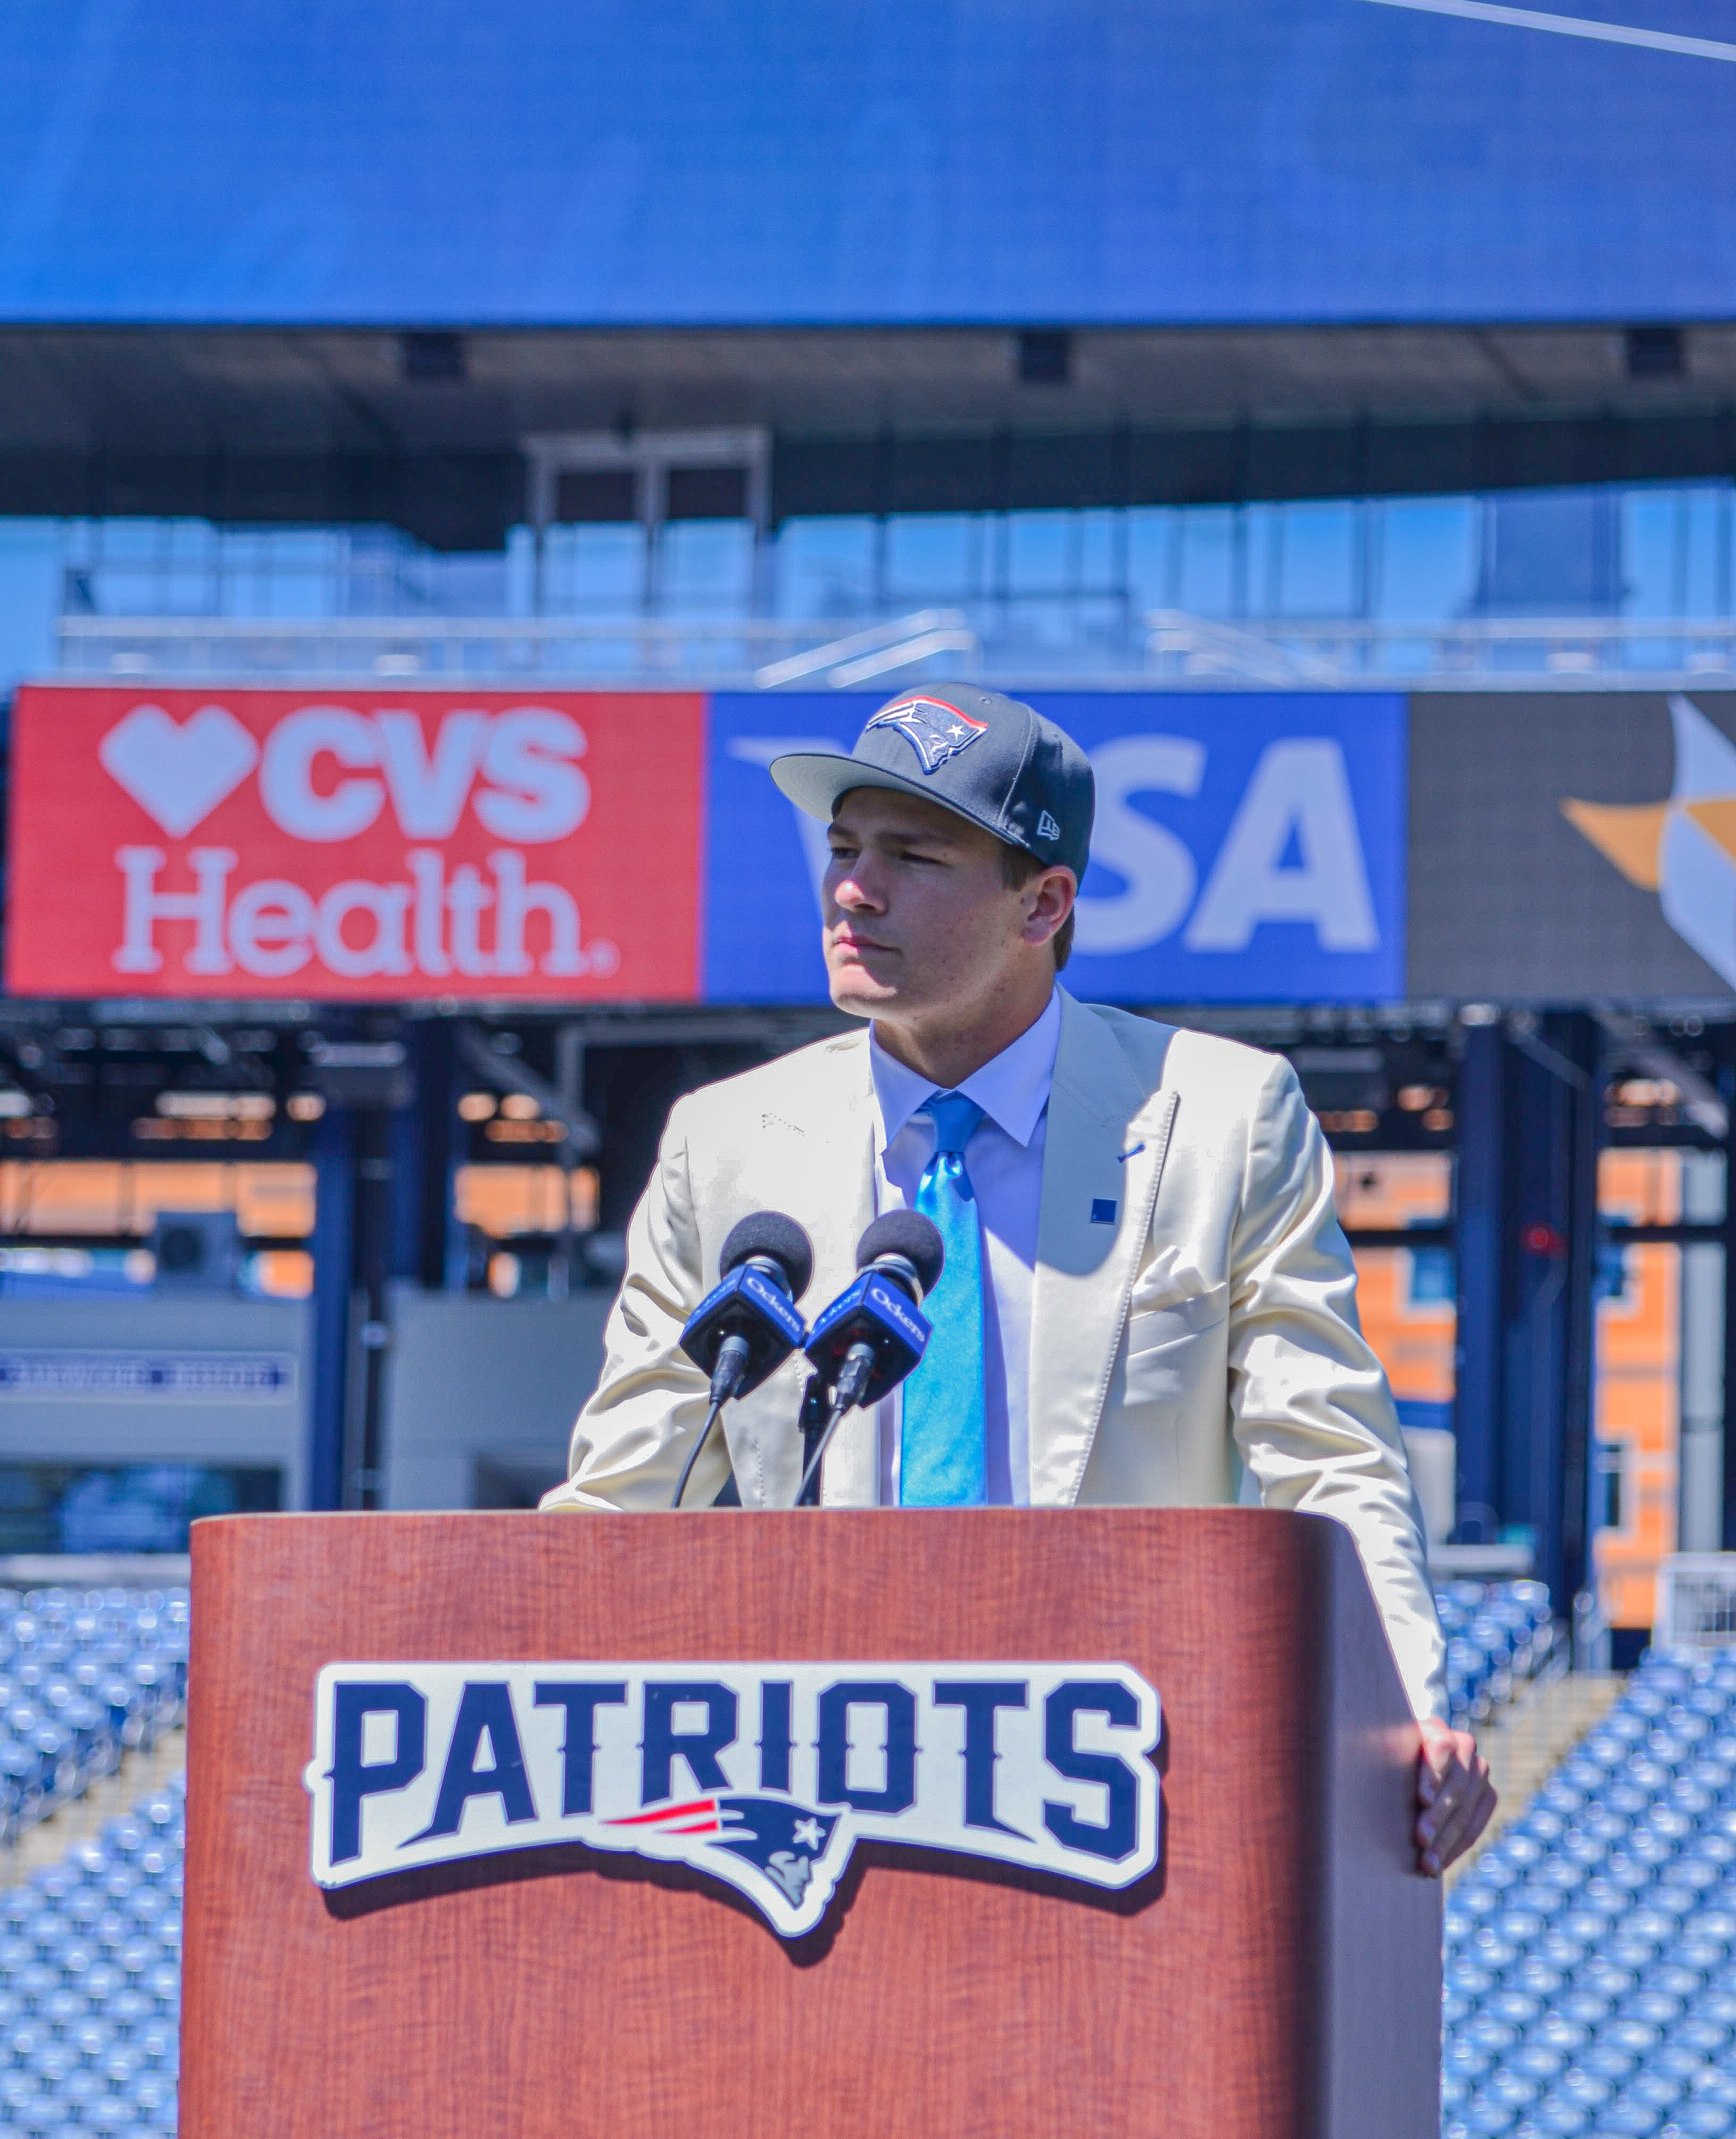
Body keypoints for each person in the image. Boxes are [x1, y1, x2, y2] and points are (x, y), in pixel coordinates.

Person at [542, 683, 1495, 1877]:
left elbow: (1332, 1454)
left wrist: (1397, 1709)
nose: (853, 888)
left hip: (1125, 1791)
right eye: (843, 849)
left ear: (1044, 902)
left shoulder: (1226, 1118)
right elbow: (625, 1498)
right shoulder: (722, 1142)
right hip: (812, 1790)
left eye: (913, 855)